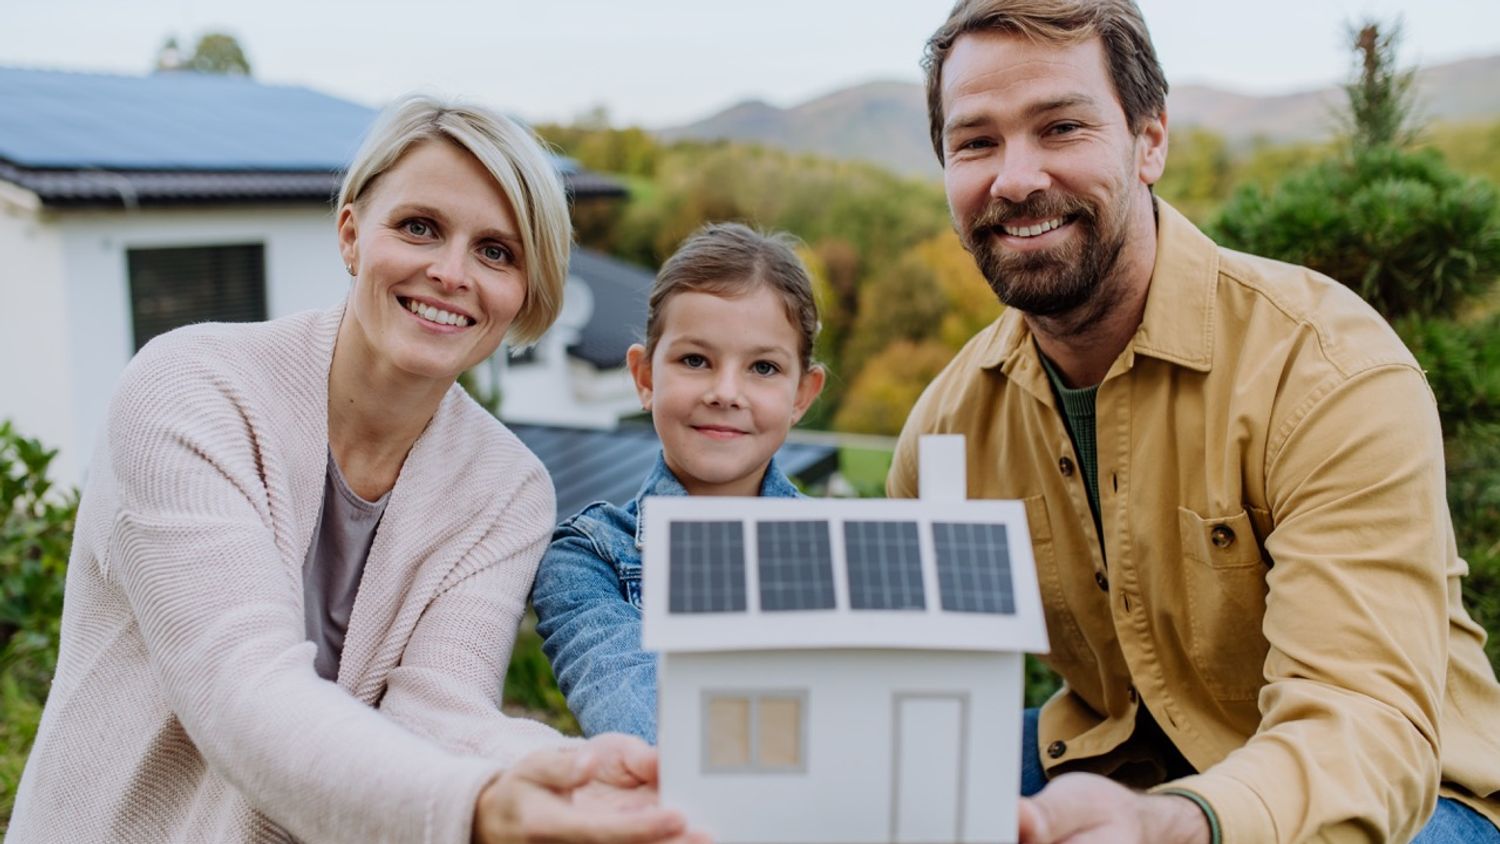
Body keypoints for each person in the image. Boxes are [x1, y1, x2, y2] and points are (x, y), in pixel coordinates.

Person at [8, 95, 701, 844]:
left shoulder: (508, 489)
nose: (451, 272)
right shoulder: (189, 391)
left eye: (496, 251)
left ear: (525, 291)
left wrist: (571, 774)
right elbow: (243, 691)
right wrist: (480, 806)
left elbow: (438, 713)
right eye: (420, 227)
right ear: (351, 233)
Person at [888, 1, 1500, 842]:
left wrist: (1169, 826)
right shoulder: (946, 433)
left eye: (1061, 127)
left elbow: (1365, 721)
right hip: (1113, 759)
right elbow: (922, 698)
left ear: (1151, 141)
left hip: (1405, 794)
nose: (1016, 178)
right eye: (976, 142)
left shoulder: (1326, 369)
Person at [532, 223, 827, 743]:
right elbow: (637, 718)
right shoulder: (588, 557)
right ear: (644, 378)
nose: (726, 392)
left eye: (763, 367)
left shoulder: (840, 550)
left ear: (802, 394)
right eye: (695, 360)